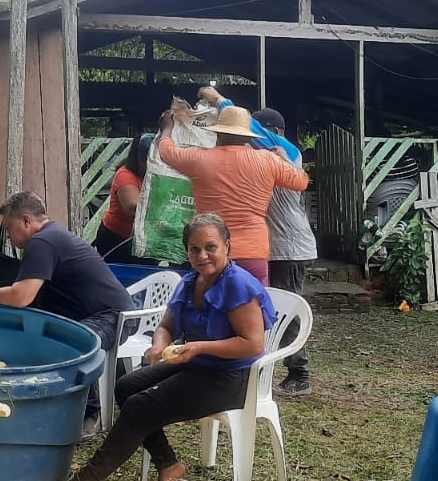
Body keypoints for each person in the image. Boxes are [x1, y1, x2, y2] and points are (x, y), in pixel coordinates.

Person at [69, 213, 276, 481]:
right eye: (194, 249)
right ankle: (168, 463)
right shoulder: (191, 281)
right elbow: (167, 325)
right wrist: (159, 344)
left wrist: (199, 347)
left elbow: (253, 344)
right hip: (195, 364)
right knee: (127, 387)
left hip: (231, 377)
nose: (202, 256)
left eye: (211, 247)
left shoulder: (238, 285)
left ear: (227, 245)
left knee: (140, 406)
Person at [0, 192, 133, 435]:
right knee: (44, 333)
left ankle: (89, 415)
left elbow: (20, 296)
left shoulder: (42, 242)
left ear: (26, 220)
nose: (8, 235)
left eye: (9, 227)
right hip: (93, 314)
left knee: (75, 346)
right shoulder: (50, 237)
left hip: (112, 317)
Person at [156, 103, 307, 285]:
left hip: (212, 250)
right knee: (253, 301)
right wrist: (283, 158)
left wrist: (167, 128)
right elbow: (301, 181)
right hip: (253, 251)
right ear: (247, 136)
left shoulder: (199, 158)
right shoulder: (268, 160)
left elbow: (166, 152)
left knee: (212, 301)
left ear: (218, 133)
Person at [252, 107, 314, 396]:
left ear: (275, 133)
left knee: (287, 312)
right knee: (271, 310)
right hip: (277, 248)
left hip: (290, 248)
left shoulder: (289, 155)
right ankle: (266, 367)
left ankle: (299, 374)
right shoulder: (266, 157)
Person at [93, 134, 154, 263]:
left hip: (147, 241)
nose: (152, 166)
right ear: (138, 159)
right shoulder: (125, 175)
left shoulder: (158, 177)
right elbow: (132, 208)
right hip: (117, 239)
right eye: (148, 161)